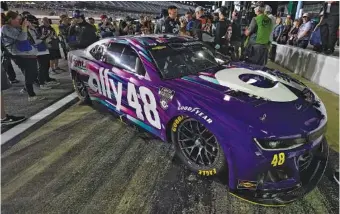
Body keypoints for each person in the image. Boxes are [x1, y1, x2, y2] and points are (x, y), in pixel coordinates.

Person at [1, 11, 45, 101]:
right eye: (18, 19)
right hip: (19, 54)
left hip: (26, 53)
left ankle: (26, 89)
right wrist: (24, 27)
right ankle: (31, 95)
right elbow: (22, 38)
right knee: (30, 74)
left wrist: (30, 28)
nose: (20, 21)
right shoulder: (6, 28)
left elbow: (31, 37)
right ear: (10, 19)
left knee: (32, 73)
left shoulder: (16, 27)